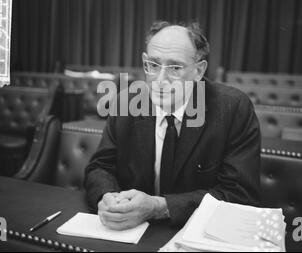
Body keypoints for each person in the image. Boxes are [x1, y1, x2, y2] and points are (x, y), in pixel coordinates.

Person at [84, 21, 261, 230]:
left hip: (195, 235)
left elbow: (240, 194)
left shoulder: (232, 109)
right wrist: (107, 198)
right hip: (130, 233)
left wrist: (160, 207)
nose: (160, 80)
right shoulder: (126, 103)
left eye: (175, 68)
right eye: (153, 65)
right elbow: (99, 167)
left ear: (199, 70)